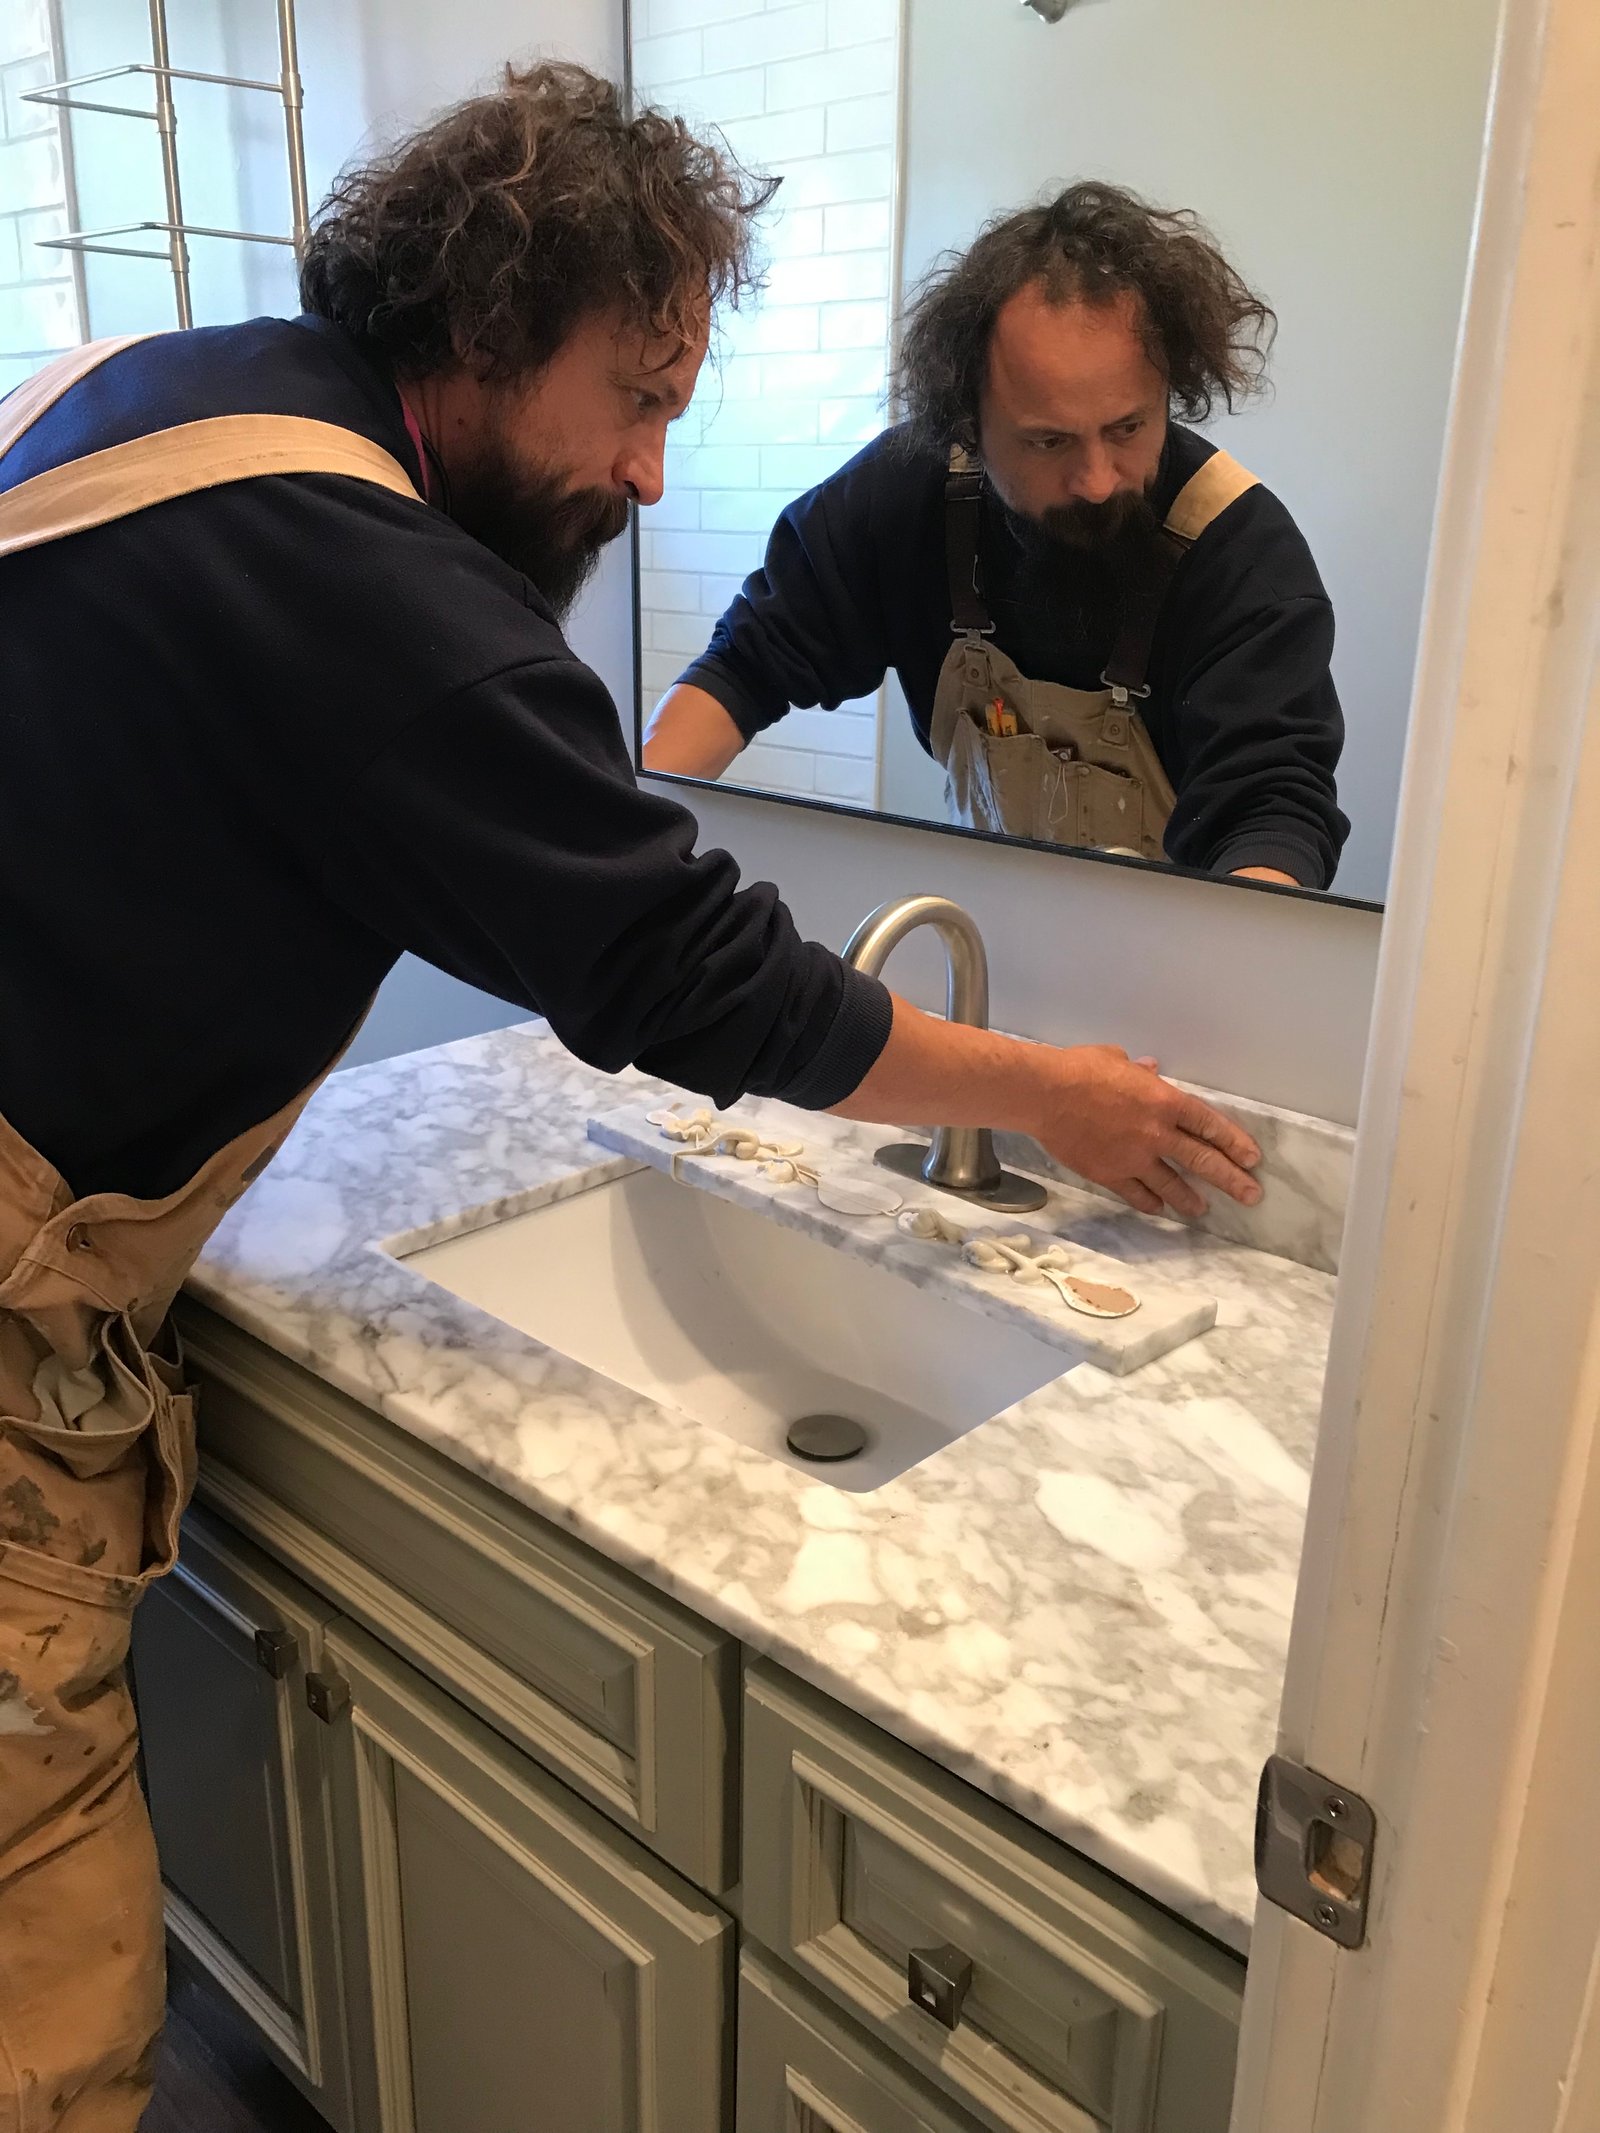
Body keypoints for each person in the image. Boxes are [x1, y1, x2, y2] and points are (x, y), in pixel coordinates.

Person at [0, 65, 1261, 2129]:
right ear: (488, 342)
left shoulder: (183, 385)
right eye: (635, 397)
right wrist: (1035, 1089)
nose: (654, 471)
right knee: (39, 1970)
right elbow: (692, 971)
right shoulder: (391, 601)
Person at [643, 183, 1350, 889]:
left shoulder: (1241, 553)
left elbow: (1272, 809)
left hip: (1184, 959)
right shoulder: (903, 501)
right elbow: (744, 666)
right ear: (968, 425)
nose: (1099, 479)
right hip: (990, 930)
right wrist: (634, 851)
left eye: (1128, 428)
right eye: (1049, 441)